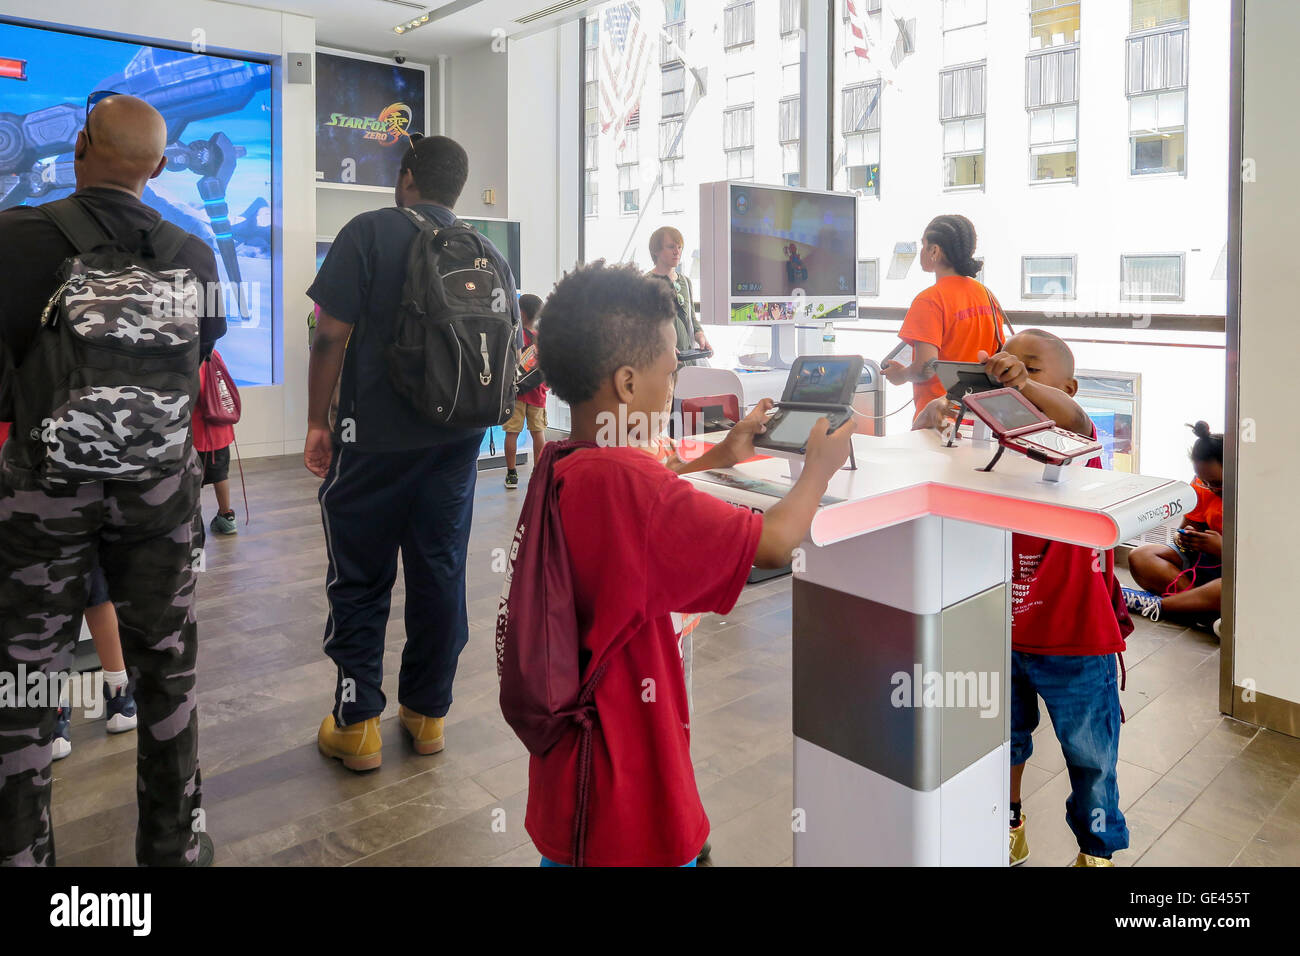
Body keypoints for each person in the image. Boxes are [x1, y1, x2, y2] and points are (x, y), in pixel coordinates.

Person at [520, 261, 852, 866]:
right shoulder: (631, 488)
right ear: (627, 383)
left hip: (574, 772)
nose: (673, 386)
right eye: (670, 373)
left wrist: (724, 452)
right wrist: (817, 471)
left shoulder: (569, 462)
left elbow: (648, 502)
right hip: (630, 784)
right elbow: (775, 542)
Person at [0, 93, 224, 866]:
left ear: (78, 149)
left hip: (42, 493)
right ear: (159, 166)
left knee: (26, 681)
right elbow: (200, 352)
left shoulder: (14, 236)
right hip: (160, 495)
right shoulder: (195, 254)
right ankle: (174, 850)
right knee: (168, 669)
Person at [306, 134, 519, 771]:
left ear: (405, 179)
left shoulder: (368, 232)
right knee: (439, 570)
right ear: (457, 189)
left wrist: (318, 422)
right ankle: (427, 717)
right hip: (456, 442)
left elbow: (328, 337)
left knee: (360, 575)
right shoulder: (486, 252)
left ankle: (357, 724)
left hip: (371, 440)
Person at [915, 328, 1133, 868]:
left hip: (1075, 639)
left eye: (1030, 368)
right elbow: (924, 437)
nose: (1013, 374)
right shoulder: (985, 452)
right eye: (1003, 368)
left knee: (1090, 756)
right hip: (997, 633)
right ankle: (1006, 824)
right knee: (1001, 744)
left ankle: (1097, 849)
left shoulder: (1080, 451)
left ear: (1070, 385)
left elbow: (1075, 421)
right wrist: (943, 408)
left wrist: (1021, 386)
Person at [882, 214, 1004, 416]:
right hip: (979, 415)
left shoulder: (930, 300)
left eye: (924, 245)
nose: (922, 251)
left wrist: (900, 375)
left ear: (934, 251)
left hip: (940, 416)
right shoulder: (987, 295)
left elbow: (926, 368)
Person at [1123, 422, 1224, 634]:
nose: (1209, 488)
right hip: (1203, 561)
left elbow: (1260, 562)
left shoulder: (1255, 496)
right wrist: (1187, 539)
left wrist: (1223, 548)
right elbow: (1188, 527)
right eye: (1203, 481)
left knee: (1227, 589)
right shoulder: (1201, 484)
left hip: (1232, 570)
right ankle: (1202, 611)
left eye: (1215, 482)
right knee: (1140, 556)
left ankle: (1158, 606)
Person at [646, 226, 710, 365]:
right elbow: (642, 326)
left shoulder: (685, 282)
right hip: (662, 363)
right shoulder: (646, 283)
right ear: (656, 250)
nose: (677, 252)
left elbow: (691, 318)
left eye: (680, 247)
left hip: (688, 361)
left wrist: (701, 337)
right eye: (671, 247)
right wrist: (662, 346)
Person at [504, 293, 546, 490]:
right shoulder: (542, 339)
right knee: (538, 433)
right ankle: (537, 473)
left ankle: (511, 474)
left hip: (517, 392)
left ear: (520, 312)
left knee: (512, 433)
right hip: (538, 392)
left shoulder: (515, 336)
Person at [194, 350, 239, 535]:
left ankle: (192, 521)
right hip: (220, 429)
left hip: (196, 431)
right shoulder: (215, 353)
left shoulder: (189, 355)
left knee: (191, 478)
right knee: (220, 474)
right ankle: (226, 517)